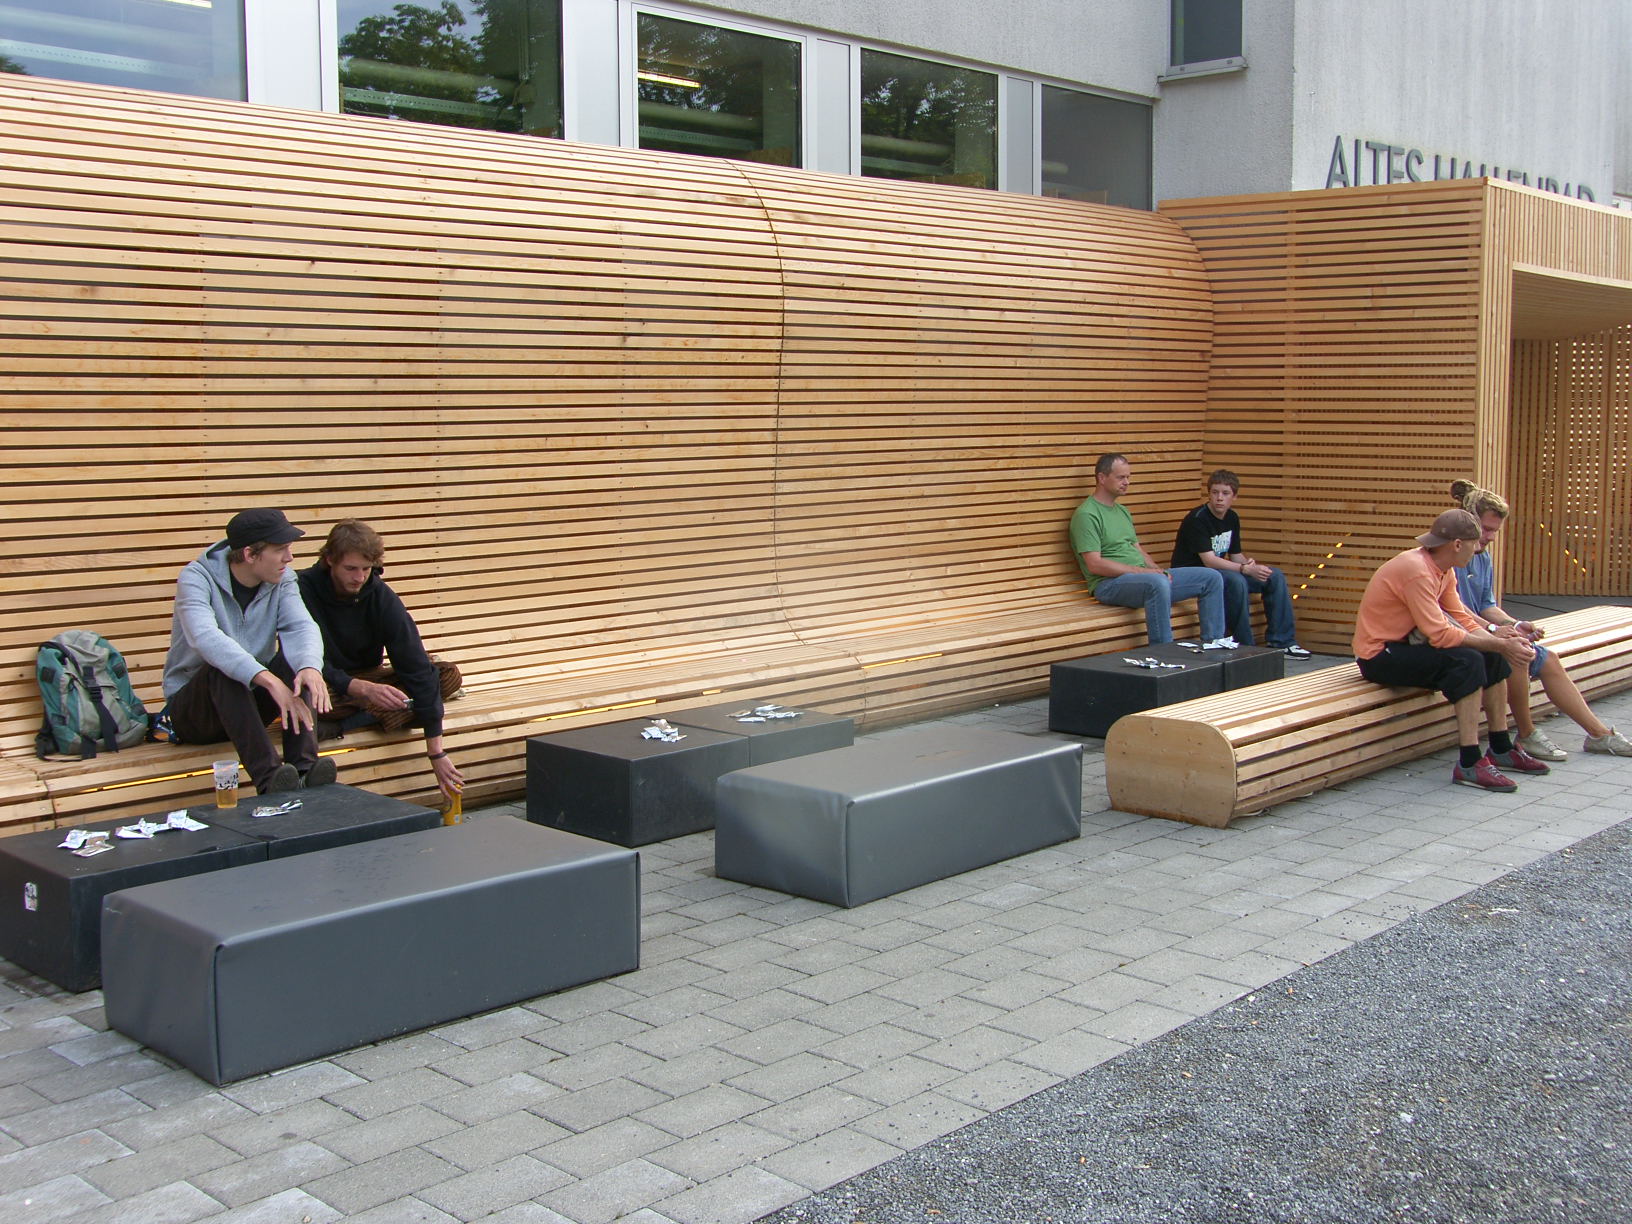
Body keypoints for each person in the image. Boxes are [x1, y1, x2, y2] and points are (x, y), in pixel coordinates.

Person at [1352, 508, 1546, 792]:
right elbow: (1440, 634)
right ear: (1457, 544)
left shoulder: (1443, 569)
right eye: (1475, 543)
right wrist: (1501, 643)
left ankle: (1501, 748)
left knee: (1491, 656)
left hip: (1409, 646)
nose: (1478, 549)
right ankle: (1469, 763)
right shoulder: (1417, 570)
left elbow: (1462, 618)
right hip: (1380, 655)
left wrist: (1500, 642)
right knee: (1467, 661)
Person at [1450, 479, 1632, 759]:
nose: (1491, 537)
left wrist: (1514, 624)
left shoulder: (1482, 557)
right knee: (1518, 654)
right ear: (1469, 522)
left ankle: (1599, 735)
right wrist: (1497, 630)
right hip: (1463, 636)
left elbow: (1487, 605)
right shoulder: (1451, 555)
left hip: (1484, 632)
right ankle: (1527, 733)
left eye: (1495, 530)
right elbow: (1455, 610)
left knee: (1548, 658)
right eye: (1486, 529)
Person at [162, 508, 336, 794]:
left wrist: (309, 667)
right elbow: (206, 639)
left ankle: (304, 771)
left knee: (298, 664)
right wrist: (268, 680)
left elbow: (301, 626)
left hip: (248, 709)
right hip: (196, 714)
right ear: (250, 554)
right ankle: (269, 780)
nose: (289, 558)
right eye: (280, 550)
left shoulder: (283, 579)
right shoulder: (196, 578)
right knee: (224, 669)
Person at [297, 520, 465, 798]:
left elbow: (413, 662)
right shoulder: (302, 588)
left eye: (366, 569)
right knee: (307, 691)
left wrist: (436, 751)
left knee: (446, 675)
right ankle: (361, 714)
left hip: (368, 680)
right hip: (327, 681)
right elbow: (298, 654)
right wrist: (357, 687)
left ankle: (345, 725)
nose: (359, 577)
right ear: (329, 560)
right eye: (351, 568)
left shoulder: (379, 594)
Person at [1070, 453, 1230, 646]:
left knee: (1211, 578)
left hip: (1143, 580)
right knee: (1157, 583)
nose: (1127, 482)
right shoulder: (1087, 515)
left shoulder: (1122, 511)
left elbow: (1137, 548)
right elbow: (1095, 565)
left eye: (1128, 477)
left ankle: (1214, 645)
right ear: (1102, 478)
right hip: (1109, 585)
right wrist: (1145, 573)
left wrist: (1156, 569)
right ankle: (1163, 651)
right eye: (1121, 477)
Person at [1170, 469, 1310, 657]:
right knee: (1237, 581)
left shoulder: (1232, 518)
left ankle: (1283, 642)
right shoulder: (1197, 519)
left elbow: (1235, 555)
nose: (1219, 498)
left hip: (1220, 571)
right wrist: (1244, 569)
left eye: (1225, 493)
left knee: (1274, 576)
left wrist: (1250, 565)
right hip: (1198, 574)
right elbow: (1209, 561)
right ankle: (1245, 645)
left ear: (1234, 497)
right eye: (1215, 492)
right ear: (1209, 494)